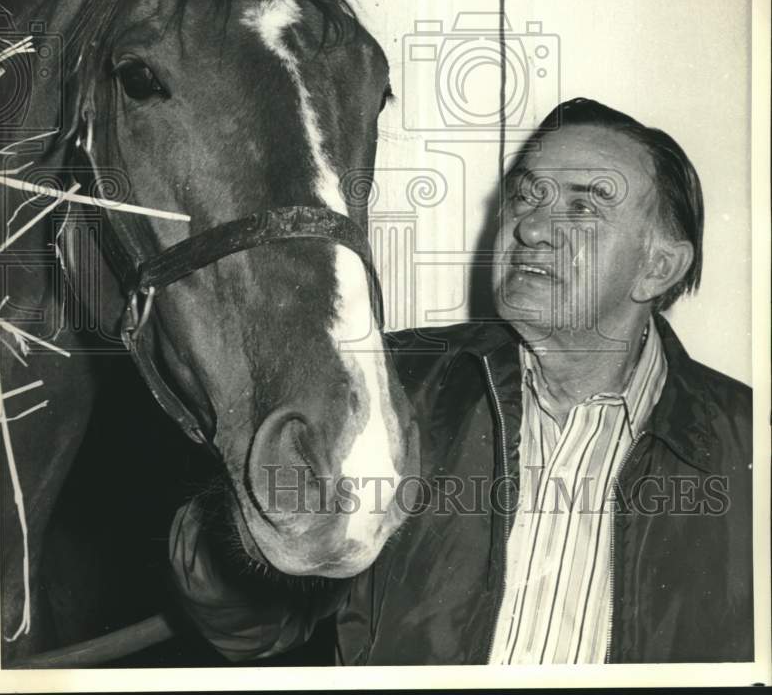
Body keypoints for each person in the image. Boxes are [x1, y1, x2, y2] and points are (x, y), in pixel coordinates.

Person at [168, 97, 753, 665]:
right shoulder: (392, 384)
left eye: (583, 207)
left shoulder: (749, 449)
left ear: (658, 267)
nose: (530, 229)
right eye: (526, 196)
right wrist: (229, 526)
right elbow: (259, 631)